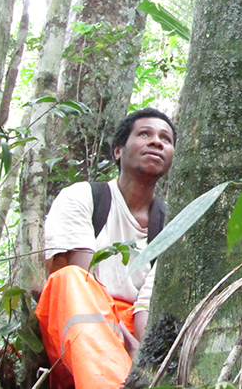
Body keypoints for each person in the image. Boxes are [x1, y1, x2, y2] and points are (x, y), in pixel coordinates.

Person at [35, 108, 176, 389]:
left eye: (166, 138)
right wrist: (120, 344)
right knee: (69, 279)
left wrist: (143, 354)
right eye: (145, 134)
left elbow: (148, 301)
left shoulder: (171, 223)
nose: (156, 142)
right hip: (77, 326)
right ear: (117, 151)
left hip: (139, 332)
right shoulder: (84, 197)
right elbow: (81, 283)